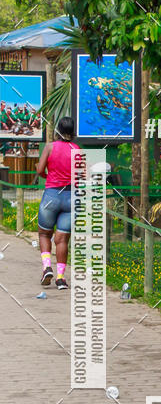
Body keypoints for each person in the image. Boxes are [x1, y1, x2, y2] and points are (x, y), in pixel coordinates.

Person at [35, 116, 81, 289]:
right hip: (71, 198)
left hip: (52, 195)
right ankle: (61, 278)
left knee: (44, 234)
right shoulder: (77, 149)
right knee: (62, 240)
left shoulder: (50, 147)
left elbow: (40, 170)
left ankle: (47, 267)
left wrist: (49, 178)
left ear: (58, 131)